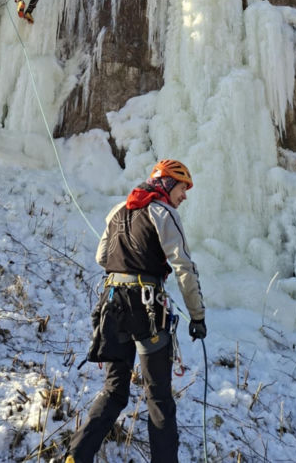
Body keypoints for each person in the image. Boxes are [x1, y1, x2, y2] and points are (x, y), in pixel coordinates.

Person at [66, 159, 206, 463]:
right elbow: (183, 267)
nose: (185, 196)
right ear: (168, 185)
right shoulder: (164, 213)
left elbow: (102, 257)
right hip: (147, 309)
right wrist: (197, 316)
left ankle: (76, 457)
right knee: (158, 398)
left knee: (114, 391)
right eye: (183, 188)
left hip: (112, 305)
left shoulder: (118, 210)